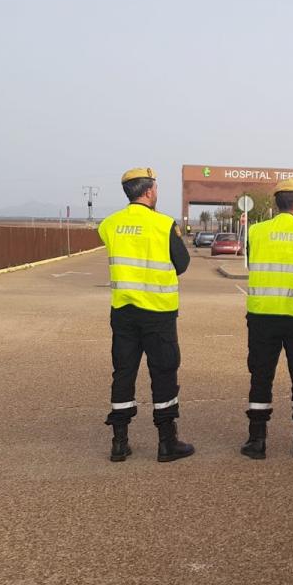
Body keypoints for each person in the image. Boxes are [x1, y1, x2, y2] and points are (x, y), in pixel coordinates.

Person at [97, 167, 195, 463]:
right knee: (163, 372)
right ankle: (167, 442)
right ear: (150, 191)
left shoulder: (109, 224)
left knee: (123, 372)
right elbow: (182, 264)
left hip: (124, 312)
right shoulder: (163, 224)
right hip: (158, 313)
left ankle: (119, 442)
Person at [242, 178, 293, 459]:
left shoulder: (256, 232)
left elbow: (252, 261)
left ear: (275, 205)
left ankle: (257, 441)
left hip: (262, 316)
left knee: (261, 376)